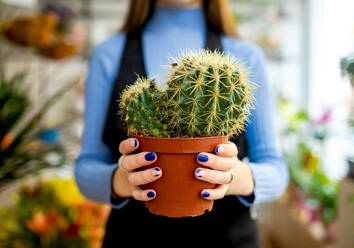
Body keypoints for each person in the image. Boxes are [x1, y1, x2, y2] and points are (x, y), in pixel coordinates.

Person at [74, 0, 289, 247]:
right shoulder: (108, 54)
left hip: (228, 238)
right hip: (133, 237)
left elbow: (277, 171)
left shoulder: (246, 55)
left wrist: (235, 177)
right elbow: (85, 169)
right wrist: (121, 181)